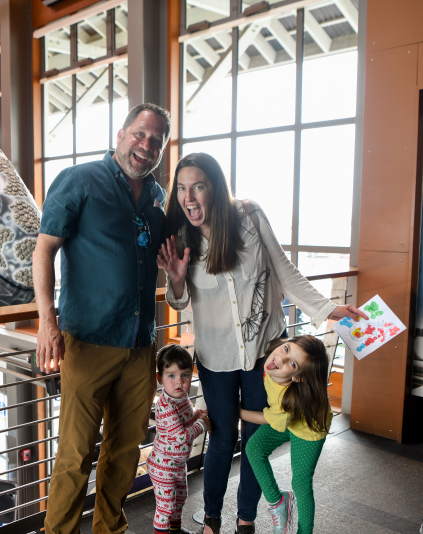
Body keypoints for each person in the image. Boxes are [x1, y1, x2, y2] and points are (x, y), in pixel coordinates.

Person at [157, 152, 367, 534]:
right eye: (182, 188)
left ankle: (247, 520)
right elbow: (179, 300)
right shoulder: (181, 238)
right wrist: (175, 279)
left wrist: (328, 309)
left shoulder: (249, 218)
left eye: (198, 186)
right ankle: (212, 520)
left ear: (215, 188)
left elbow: (285, 271)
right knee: (221, 442)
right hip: (216, 358)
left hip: (265, 355)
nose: (189, 197)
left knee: (255, 442)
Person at [33, 103, 170, 534]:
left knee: (126, 451)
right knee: (76, 455)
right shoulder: (79, 181)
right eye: (140, 134)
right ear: (121, 133)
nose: (146, 146)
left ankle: (110, 528)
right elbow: (44, 250)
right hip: (88, 341)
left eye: (156, 141)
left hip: (140, 344)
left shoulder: (156, 196)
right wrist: (46, 322)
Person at [241, 335, 332, 534]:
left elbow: (270, 418)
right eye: (287, 349)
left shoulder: (286, 399)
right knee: (254, 448)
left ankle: (305, 532)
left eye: (292, 363)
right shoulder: (272, 362)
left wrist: (236, 413)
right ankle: (278, 501)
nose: (280, 359)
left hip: (308, 427)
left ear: (298, 377)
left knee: (300, 482)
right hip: (286, 419)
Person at [147, 345, 210, 534]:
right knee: (165, 507)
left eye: (185, 375)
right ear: (160, 378)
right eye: (171, 375)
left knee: (180, 500)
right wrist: (203, 425)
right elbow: (180, 436)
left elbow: (184, 423)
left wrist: (196, 415)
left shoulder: (182, 399)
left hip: (177, 463)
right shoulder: (165, 406)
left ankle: (176, 531)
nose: (179, 382)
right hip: (163, 465)